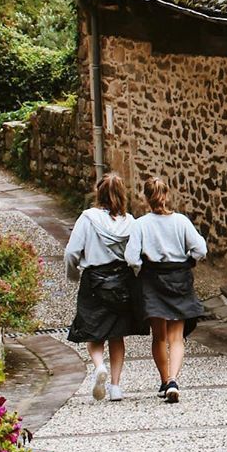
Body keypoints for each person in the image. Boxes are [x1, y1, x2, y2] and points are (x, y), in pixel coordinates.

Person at [126, 176, 207, 404]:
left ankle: (164, 381)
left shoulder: (140, 224)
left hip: (152, 280)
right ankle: (173, 379)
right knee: (177, 337)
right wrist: (189, 262)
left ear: (146, 198)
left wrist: (141, 270)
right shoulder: (181, 222)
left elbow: (131, 258)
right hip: (179, 278)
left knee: (159, 336)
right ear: (167, 195)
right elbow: (200, 249)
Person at [65, 172, 138, 402]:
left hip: (95, 280)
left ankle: (98, 367)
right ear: (122, 195)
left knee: (93, 331)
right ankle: (116, 387)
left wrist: (74, 275)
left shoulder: (88, 218)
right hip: (122, 281)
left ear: (99, 193)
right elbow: (136, 255)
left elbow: (72, 252)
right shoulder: (131, 222)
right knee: (117, 336)